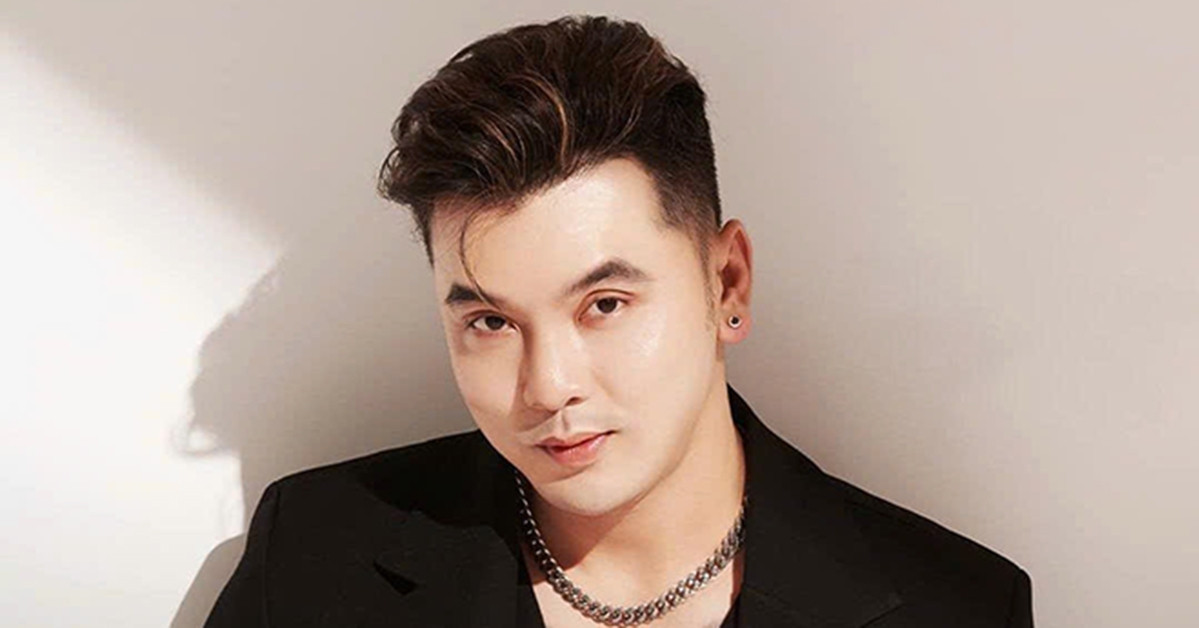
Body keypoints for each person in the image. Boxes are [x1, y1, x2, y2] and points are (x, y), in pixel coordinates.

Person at [205, 15, 1033, 627]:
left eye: (603, 305)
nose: (548, 387)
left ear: (726, 283)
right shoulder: (313, 555)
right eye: (490, 322)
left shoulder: (955, 606)